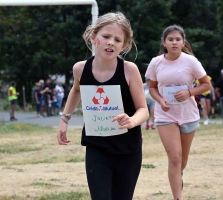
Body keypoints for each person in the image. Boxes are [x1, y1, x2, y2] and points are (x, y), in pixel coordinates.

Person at [57, 12, 148, 200]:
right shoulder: (80, 69)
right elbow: (76, 90)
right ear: (94, 37)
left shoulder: (130, 70)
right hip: (97, 147)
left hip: (128, 150)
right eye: (106, 36)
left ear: (124, 46)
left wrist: (131, 121)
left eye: (117, 39)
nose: (111, 42)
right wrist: (64, 119)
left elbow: (143, 110)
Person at [145, 25, 211, 200]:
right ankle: (177, 197)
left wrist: (189, 92)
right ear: (164, 43)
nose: (174, 42)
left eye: (177, 39)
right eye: (170, 39)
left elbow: (206, 85)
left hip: (187, 114)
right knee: (174, 158)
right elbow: (152, 88)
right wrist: (160, 100)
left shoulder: (191, 62)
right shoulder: (156, 62)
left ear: (183, 42)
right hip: (165, 114)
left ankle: (177, 176)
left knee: (182, 161)